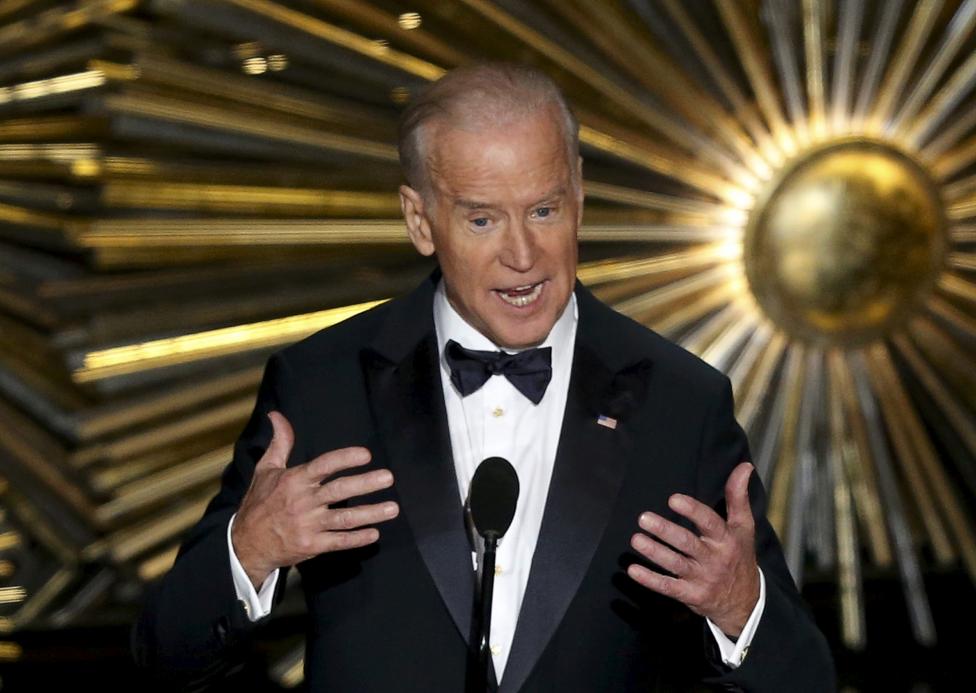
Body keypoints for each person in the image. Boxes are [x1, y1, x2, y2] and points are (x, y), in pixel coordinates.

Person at [133, 63, 834, 692]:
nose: (522, 255)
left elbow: (806, 677)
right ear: (420, 220)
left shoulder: (683, 403)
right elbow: (164, 658)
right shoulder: (323, 385)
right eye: (481, 220)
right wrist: (250, 550)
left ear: (579, 197)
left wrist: (740, 606)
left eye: (544, 210)